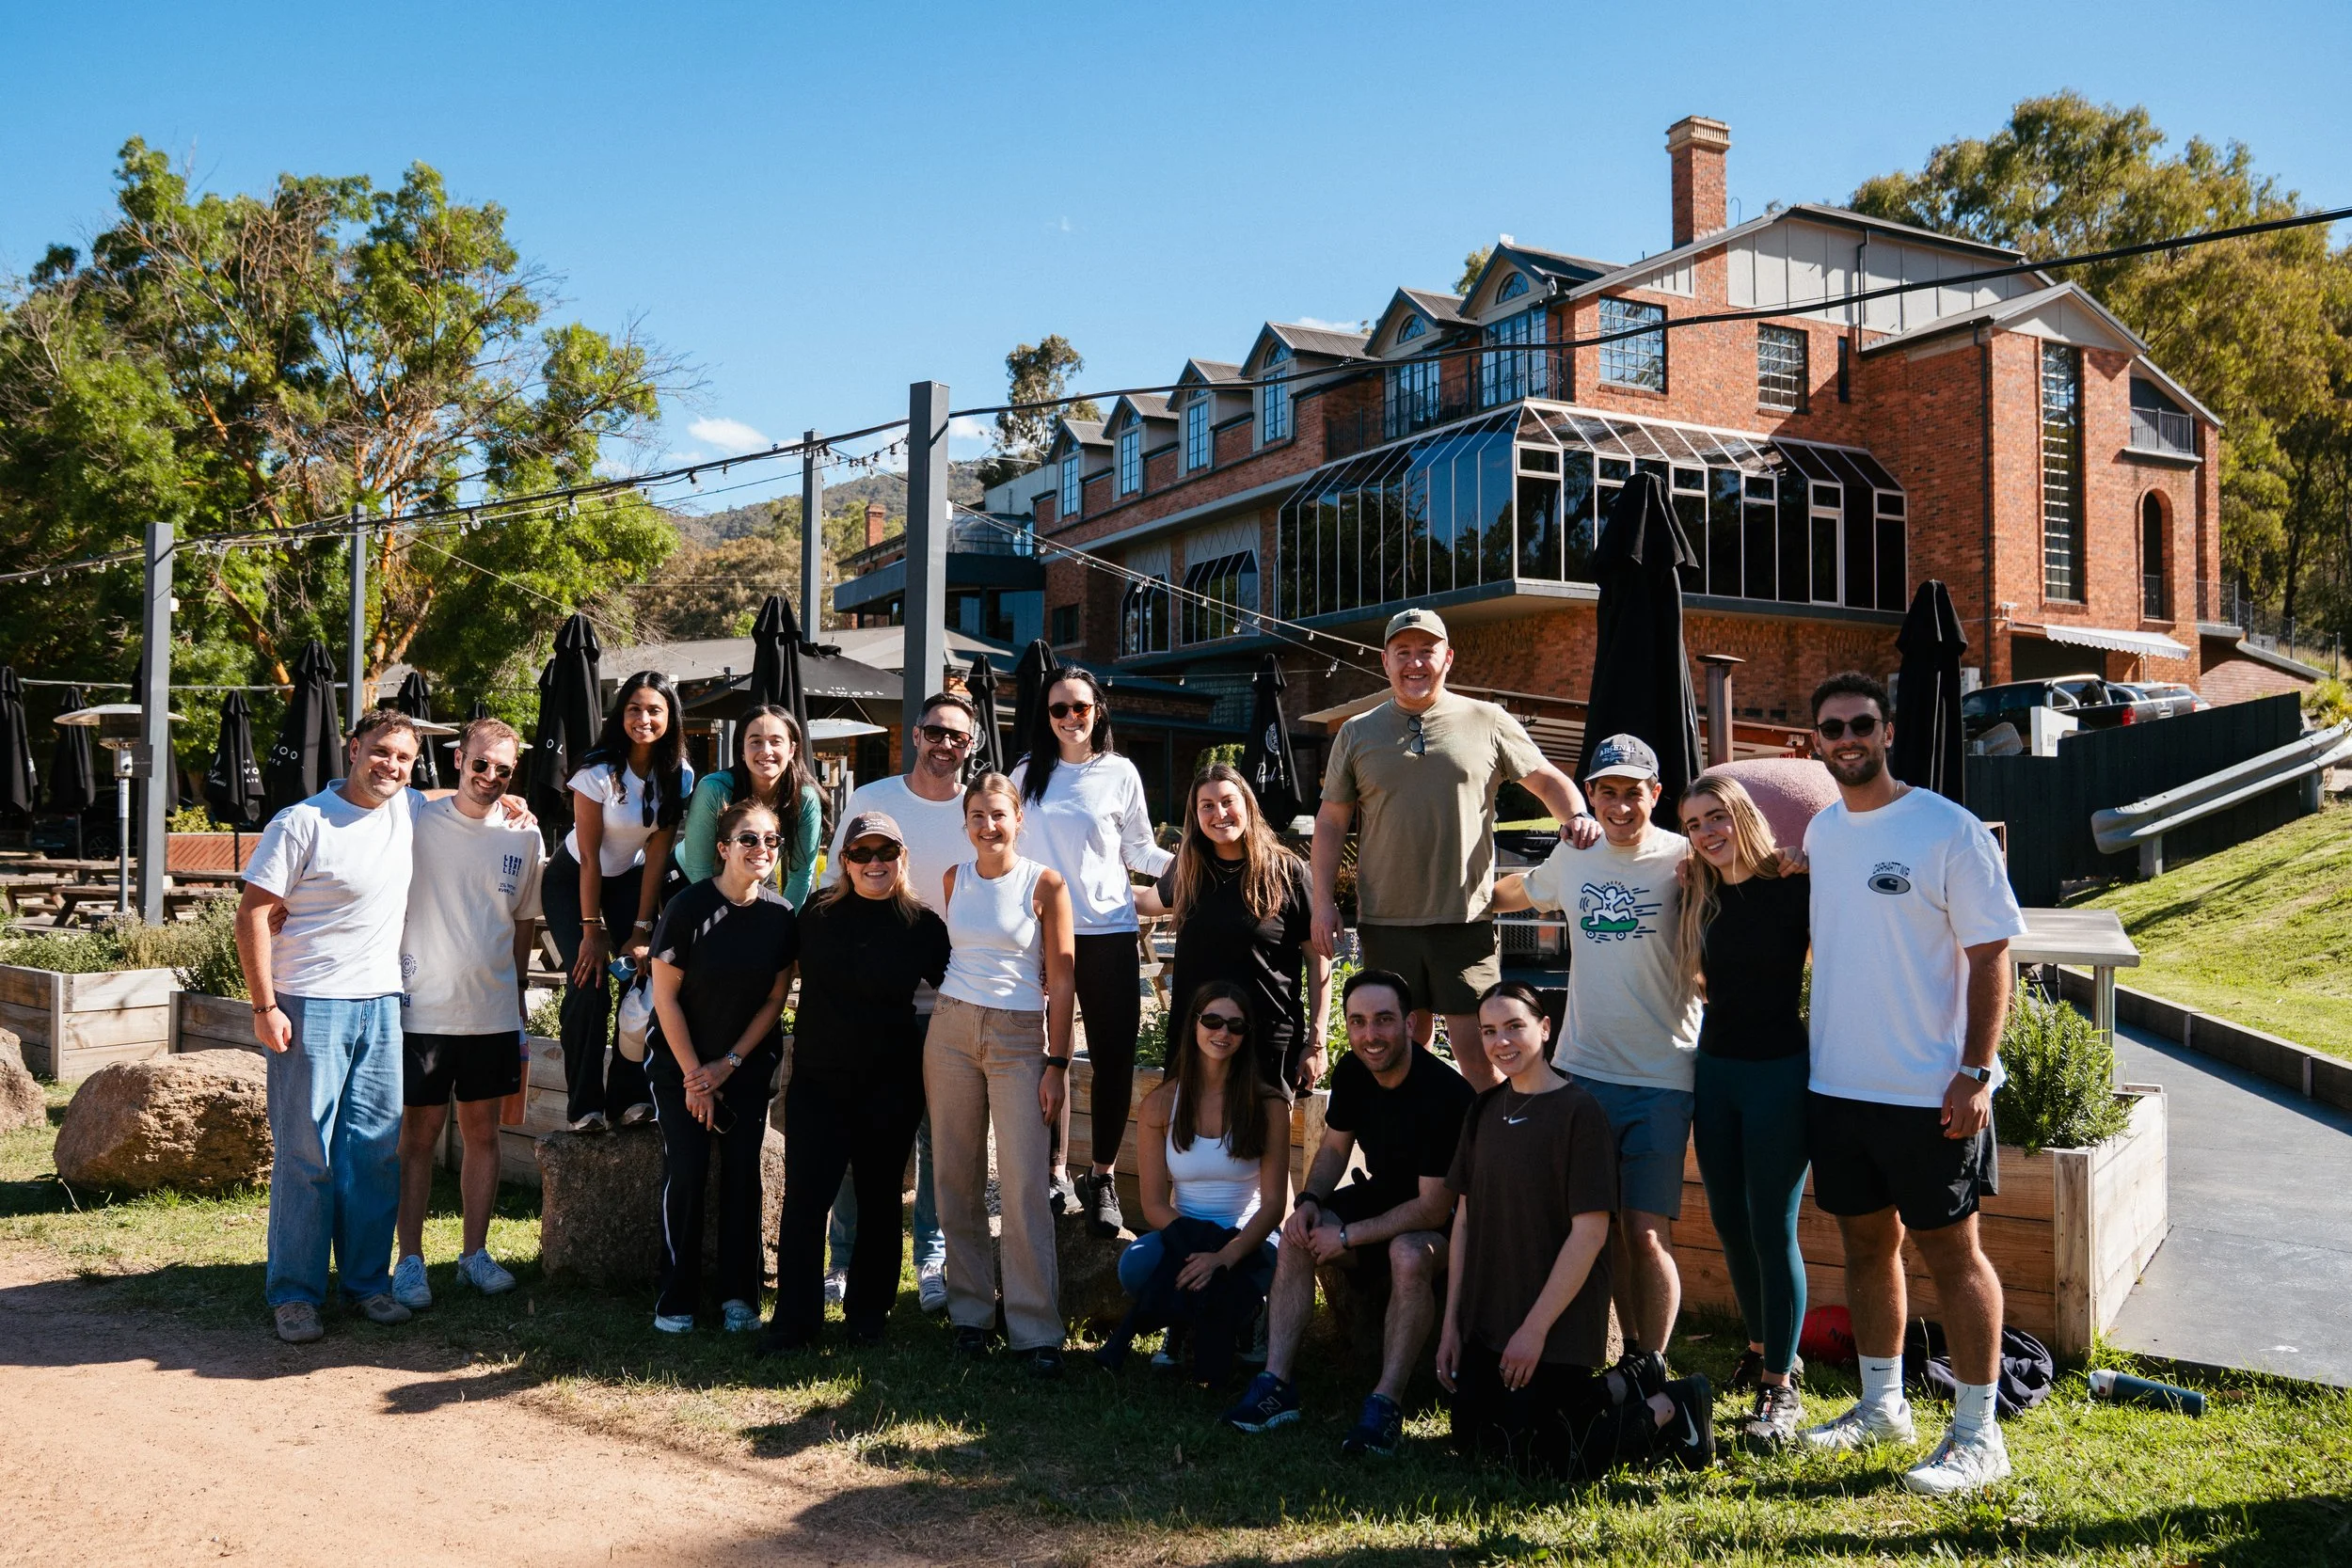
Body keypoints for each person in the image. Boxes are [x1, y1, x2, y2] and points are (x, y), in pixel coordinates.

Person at [1797, 672, 2025, 1497]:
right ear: (1814, 741)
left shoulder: (1947, 830)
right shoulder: (1823, 833)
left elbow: (1992, 952)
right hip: (1839, 1087)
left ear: (1888, 731)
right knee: (1865, 1247)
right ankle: (1882, 1405)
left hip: (1933, 1092)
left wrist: (1975, 1071)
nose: (1848, 737)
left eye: (1862, 723)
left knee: (1954, 1255)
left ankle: (1977, 1434)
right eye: (1833, 727)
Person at [1310, 608, 1599, 1089]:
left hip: (1465, 922)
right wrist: (1322, 902)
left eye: (1427, 651)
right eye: (1404, 652)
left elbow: (1546, 780)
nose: (1415, 663)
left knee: (1482, 1062)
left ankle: (1488, 1162)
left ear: (1448, 658)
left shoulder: (1488, 720)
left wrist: (1579, 818)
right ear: (1385, 661)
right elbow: (1331, 821)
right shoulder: (1357, 732)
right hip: (1387, 923)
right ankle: (1411, 1162)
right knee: (1399, 1063)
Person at [1493, 733, 1702, 1396]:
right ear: (1590, 794)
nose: (1619, 804)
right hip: (1581, 1072)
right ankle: (1627, 1352)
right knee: (1599, 1225)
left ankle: (1654, 1364)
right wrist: (1444, 891)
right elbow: (1514, 894)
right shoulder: (1573, 855)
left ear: (1655, 794)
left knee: (1646, 1231)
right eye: (1606, 791)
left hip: (1664, 1075)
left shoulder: (1684, 857)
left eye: (1632, 791)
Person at [1437, 981, 1714, 1478]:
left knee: (1542, 1458)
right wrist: (1452, 1324)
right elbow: (1464, 1219)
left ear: (1545, 1029)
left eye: (1515, 1027)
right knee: (1476, 1439)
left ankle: (1672, 1406)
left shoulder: (1579, 1113)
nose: (1502, 1041)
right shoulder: (1481, 1111)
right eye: (1489, 1031)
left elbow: (1589, 1234)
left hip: (1552, 1326)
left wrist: (1534, 1330)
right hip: (1488, 1322)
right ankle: (1623, 1385)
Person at [1221, 968, 1474, 1458]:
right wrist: (1311, 1201)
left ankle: (1386, 1404)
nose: (1369, 1035)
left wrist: (1349, 1236)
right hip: (1380, 1200)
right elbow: (1335, 1151)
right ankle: (1276, 1383)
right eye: (1357, 1022)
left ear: (1410, 1023)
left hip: (1446, 1228)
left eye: (1383, 1020)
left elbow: (1433, 1206)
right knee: (1298, 1233)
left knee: (1405, 1254)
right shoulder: (1354, 1071)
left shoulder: (1445, 1094)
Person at [234, 709, 428, 1344]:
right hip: (308, 1002)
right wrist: (264, 1006)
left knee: (373, 1153)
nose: (392, 765)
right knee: (305, 1154)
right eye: (381, 752)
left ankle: (368, 1284)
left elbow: (467, 800)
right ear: (354, 748)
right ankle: (294, 1293)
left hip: (381, 1002)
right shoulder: (302, 821)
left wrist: (511, 802)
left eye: (403, 757)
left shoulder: (408, 808)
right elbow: (254, 914)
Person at [765, 811, 950, 1353]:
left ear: (901, 860)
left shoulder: (923, 926)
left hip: (891, 1084)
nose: (874, 863)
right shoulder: (815, 916)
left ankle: (869, 1318)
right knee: (805, 1200)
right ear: (843, 862)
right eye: (862, 854)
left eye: (885, 853)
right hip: (819, 1083)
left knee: (879, 1200)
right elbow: (766, 973)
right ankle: (795, 1322)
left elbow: (963, 986)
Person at [819, 691, 977, 1314]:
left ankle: (931, 1259)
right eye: (936, 731)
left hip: (952, 995)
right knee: (864, 1133)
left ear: (970, 745)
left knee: (943, 1137)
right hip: (875, 999)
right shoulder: (874, 800)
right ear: (916, 734)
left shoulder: (980, 809)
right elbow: (838, 881)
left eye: (958, 737)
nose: (945, 744)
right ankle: (842, 1256)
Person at [389, 717, 546, 1310]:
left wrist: (515, 997)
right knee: (418, 1140)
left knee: (484, 1137)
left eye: (503, 769)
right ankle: (409, 1262)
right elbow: (363, 783)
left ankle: (473, 1255)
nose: (490, 777)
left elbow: (523, 924)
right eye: (480, 764)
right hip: (421, 1011)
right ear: (458, 758)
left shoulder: (524, 837)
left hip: (493, 1015)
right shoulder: (415, 821)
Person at [1010, 666, 1172, 1238]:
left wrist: (1187, 867)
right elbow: (1005, 847)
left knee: (1113, 1057)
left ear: (1098, 710)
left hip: (1108, 931)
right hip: (1041, 933)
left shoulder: (1121, 772)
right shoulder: (1027, 773)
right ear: (1046, 717)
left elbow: (1139, 848)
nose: (1071, 718)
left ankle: (1101, 1175)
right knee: (1045, 1055)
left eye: (1081, 707)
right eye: (1059, 710)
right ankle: (1051, 1173)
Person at [1677, 772, 1811, 1449]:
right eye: (1695, 823)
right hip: (1717, 1071)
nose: (1707, 832)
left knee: (1771, 1226)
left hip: (1780, 1074)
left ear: (1742, 816)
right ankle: (1761, 1346)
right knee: (1729, 1220)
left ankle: (1782, 1384)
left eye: (1717, 817)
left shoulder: (1794, 884)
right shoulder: (1696, 896)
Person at [930, 772, 1078, 1375]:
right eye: (977, 816)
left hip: (1020, 1039)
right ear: (964, 823)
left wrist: (1059, 1062)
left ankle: (1035, 1326)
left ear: (1018, 820)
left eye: (998, 815)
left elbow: (1064, 978)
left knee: (1021, 1187)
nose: (988, 826)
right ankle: (970, 1314)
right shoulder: (952, 879)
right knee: (955, 1177)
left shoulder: (1045, 883)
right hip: (952, 1030)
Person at [644, 798, 797, 1334]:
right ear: (725, 848)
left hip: (745, 1069)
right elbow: (665, 1001)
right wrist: (695, 1077)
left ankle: (740, 1298)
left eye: (771, 840)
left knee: (743, 1180)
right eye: (749, 839)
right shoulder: (687, 907)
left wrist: (727, 1067)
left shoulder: (781, 917)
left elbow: (774, 1000)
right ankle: (675, 1298)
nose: (761, 849)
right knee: (685, 1176)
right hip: (679, 1067)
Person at [1095, 982, 1290, 1383]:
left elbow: (1273, 1204)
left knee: (1257, 1267)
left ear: (1246, 1035)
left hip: (1249, 1237)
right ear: (1194, 1025)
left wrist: (1224, 1255)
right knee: (1136, 1265)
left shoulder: (1268, 1105)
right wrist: (1199, 1248)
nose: (1223, 1033)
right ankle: (1188, 1320)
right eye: (1213, 1021)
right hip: (1183, 1234)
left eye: (1235, 1026)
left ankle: (1243, 1317)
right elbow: (1153, 1204)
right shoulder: (1161, 1103)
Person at [544, 671, 693, 1133]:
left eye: (654, 710)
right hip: (574, 881)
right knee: (588, 985)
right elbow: (589, 856)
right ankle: (583, 1108)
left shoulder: (679, 775)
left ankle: (626, 1099)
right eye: (634, 708)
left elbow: (655, 857)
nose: (643, 718)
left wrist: (642, 929)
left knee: (642, 978)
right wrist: (592, 932)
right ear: (620, 714)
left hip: (629, 879)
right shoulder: (597, 770)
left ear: (671, 717)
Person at [1134, 764, 1331, 1096]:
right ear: (1195, 815)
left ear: (1248, 805)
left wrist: (1316, 1043)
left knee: (1263, 1146)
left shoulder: (1288, 872)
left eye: (1228, 801)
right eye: (1207, 805)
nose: (1219, 813)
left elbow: (1319, 959)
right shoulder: (1189, 870)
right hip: (1197, 1038)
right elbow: (1144, 901)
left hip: (1267, 1041)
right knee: (1193, 1144)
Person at [675, 703, 823, 905]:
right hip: (690, 880)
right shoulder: (715, 789)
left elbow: (801, 876)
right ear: (742, 750)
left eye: (775, 741)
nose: (766, 750)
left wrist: (784, 924)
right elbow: (698, 868)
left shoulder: (805, 799)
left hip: (754, 881)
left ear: (792, 750)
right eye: (755, 741)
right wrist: (728, 919)